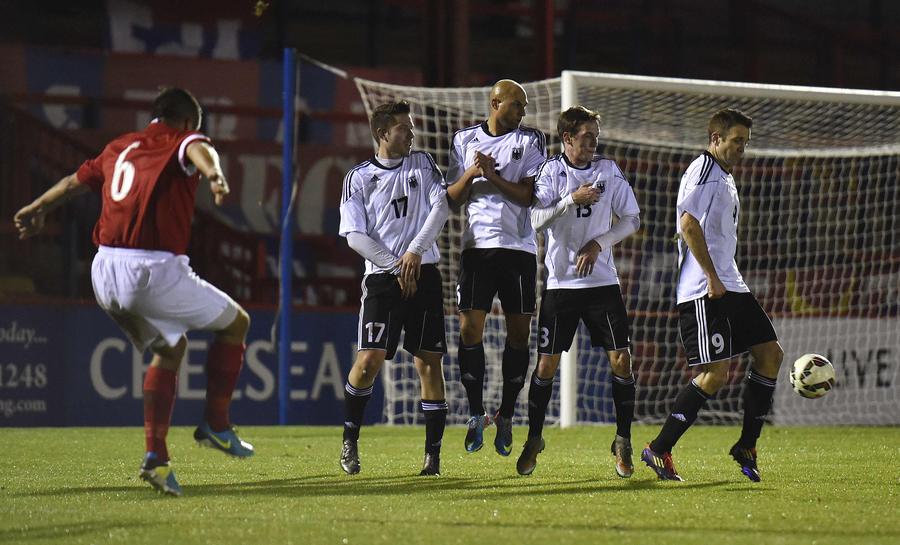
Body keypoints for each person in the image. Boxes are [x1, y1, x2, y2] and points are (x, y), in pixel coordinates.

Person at [13, 87, 255, 497]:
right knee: (237, 324)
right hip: (152, 271)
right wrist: (214, 175)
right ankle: (216, 423)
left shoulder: (119, 146)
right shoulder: (181, 140)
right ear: (187, 122)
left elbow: (75, 182)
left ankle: (156, 459)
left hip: (104, 270)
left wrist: (36, 207)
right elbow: (198, 149)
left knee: (170, 348)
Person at [641, 108, 784, 482]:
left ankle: (747, 444)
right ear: (715, 138)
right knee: (714, 374)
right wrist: (710, 277)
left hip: (730, 283)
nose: (742, 149)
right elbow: (687, 224)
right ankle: (658, 449)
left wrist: (722, 277)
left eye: (746, 143)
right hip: (704, 290)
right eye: (736, 141)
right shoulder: (703, 171)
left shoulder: (724, 175)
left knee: (770, 354)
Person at [516, 106, 641, 477]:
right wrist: (571, 199)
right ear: (567, 138)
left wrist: (599, 244)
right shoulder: (551, 172)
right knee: (546, 364)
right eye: (586, 136)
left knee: (621, 360)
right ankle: (535, 438)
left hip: (603, 283)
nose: (593, 142)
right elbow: (535, 221)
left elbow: (632, 219)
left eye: (596, 136)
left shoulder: (608, 171)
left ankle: (623, 440)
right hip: (561, 285)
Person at [338, 100, 450, 476]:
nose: (412, 132)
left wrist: (415, 252)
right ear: (384, 133)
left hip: (425, 271)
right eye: (404, 127)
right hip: (383, 278)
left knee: (427, 363)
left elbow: (441, 207)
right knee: (368, 361)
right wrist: (395, 263)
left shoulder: (423, 163)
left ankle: (432, 456)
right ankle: (350, 439)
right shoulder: (357, 177)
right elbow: (354, 235)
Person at [446, 79, 546, 457]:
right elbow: (452, 199)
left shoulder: (532, 140)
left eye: (524, 106)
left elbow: (530, 194)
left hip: (519, 249)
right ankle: (475, 413)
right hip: (478, 249)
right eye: (517, 104)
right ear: (495, 103)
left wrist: (492, 176)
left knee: (519, 334)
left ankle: (506, 414)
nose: (523, 111)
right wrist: (471, 174)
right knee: (470, 328)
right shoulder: (463, 140)